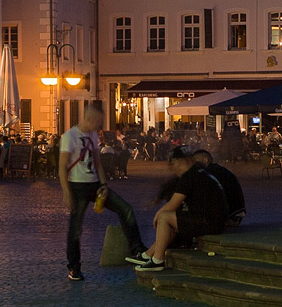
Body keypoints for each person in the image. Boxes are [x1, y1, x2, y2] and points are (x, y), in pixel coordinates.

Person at [60, 99, 143, 281]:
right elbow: (62, 167)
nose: (99, 125)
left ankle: (137, 249)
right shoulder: (69, 136)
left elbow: (97, 163)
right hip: (78, 186)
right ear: (89, 118)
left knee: (125, 209)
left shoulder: (93, 136)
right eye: (98, 121)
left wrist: (104, 185)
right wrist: (67, 193)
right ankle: (74, 267)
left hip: (95, 185)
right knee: (75, 229)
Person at [128, 148, 231, 271]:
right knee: (170, 220)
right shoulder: (199, 172)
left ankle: (158, 260)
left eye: (174, 163)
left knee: (165, 217)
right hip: (213, 220)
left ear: (186, 160)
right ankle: (148, 255)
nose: (172, 167)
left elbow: (173, 204)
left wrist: (157, 216)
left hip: (209, 222)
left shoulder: (189, 176)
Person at [191, 147, 246, 227]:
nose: (193, 164)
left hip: (229, 217)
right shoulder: (218, 170)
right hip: (234, 215)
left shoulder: (209, 174)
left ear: (205, 160)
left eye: (195, 160)